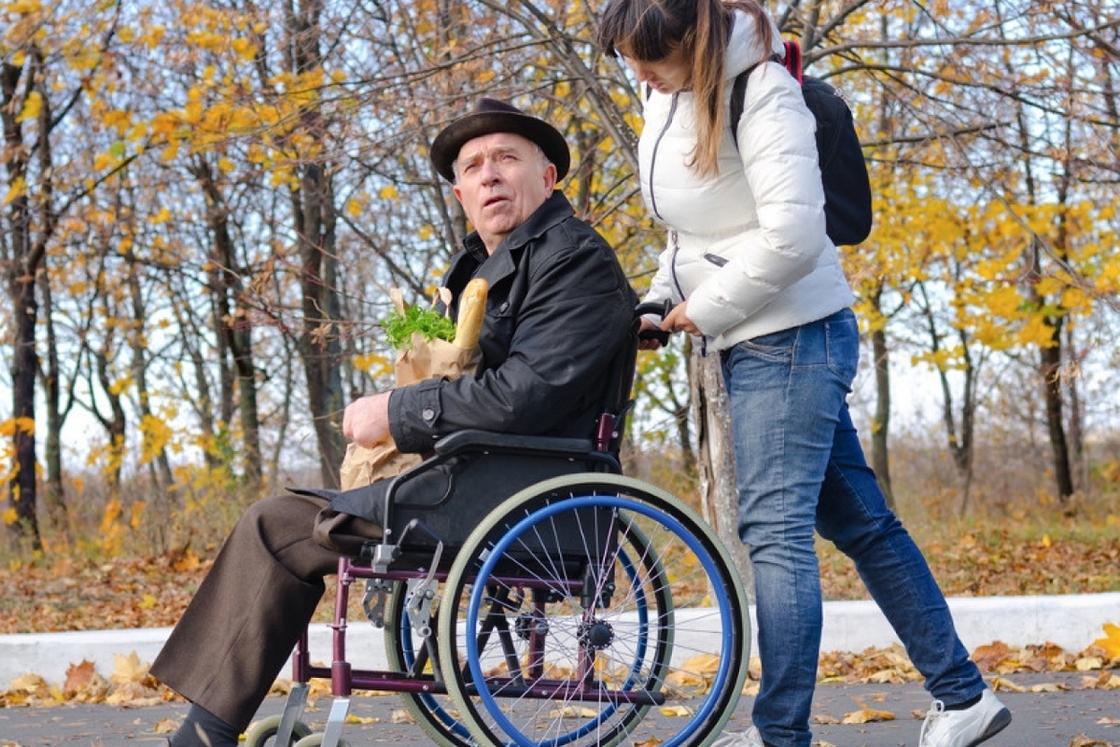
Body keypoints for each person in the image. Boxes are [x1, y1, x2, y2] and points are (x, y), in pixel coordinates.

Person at [151, 97, 638, 747]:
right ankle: (207, 729)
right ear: (461, 193)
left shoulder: (573, 259)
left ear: (547, 178)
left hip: (529, 490)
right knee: (281, 518)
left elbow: (525, 394)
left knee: (278, 525)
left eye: (506, 159)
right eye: (473, 166)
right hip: (482, 476)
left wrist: (397, 411)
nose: (489, 174)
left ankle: (201, 736)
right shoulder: (487, 273)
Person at [595, 2, 1011, 747]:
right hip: (759, 334)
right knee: (863, 524)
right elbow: (693, 227)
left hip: (790, 336)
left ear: (695, 41)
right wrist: (662, 296)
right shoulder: (667, 96)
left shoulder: (764, 92)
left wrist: (705, 307)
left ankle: (780, 733)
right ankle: (964, 697)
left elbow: (795, 235)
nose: (637, 71)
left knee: (775, 535)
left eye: (648, 56)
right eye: (626, 56)